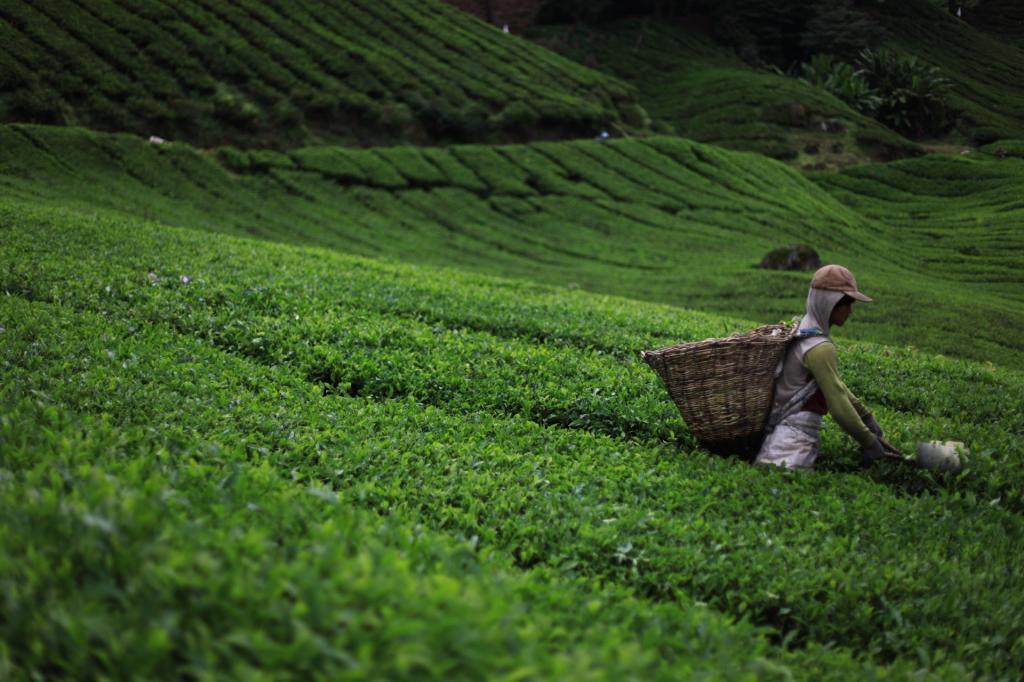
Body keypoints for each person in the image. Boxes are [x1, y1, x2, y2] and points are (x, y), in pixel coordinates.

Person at [755, 264, 886, 469]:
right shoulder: (819, 347)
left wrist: (866, 417)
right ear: (829, 303)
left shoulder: (802, 330)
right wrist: (868, 441)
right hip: (793, 438)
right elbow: (837, 402)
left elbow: (834, 385)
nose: (850, 312)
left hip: (782, 428)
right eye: (846, 304)